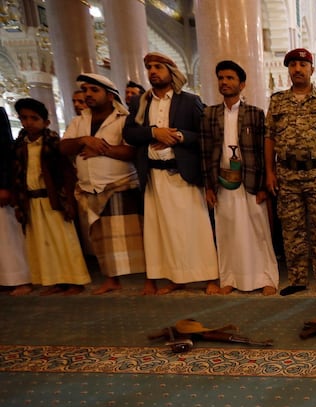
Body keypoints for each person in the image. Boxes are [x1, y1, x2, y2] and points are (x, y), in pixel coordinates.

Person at [123, 52, 218, 295]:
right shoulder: (139, 103)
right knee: (163, 230)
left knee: (194, 227)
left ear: (171, 72)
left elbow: (203, 136)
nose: (153, 71)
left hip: (182, 174)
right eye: (149, 68)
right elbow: (130, 135)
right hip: (154, 176)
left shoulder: (189, 101)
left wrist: (178, 136)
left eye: (158, 67)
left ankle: (209, 277)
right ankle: (176, 277)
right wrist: (154, 132)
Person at [265, 48, 316, 296]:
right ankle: (298, 279)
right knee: (292, 230)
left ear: (312, 69)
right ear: (288, 70)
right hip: (287, 176)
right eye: (292, 65)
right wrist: (269, 171)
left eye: (302, 64)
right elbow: (269, 137)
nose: (297, 69)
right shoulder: (277, 101)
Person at [60, 73, 145, 294]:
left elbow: (132, 151)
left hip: (119, 185)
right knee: (102, 237)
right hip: (90, 187)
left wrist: (102, 148)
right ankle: (111, 279)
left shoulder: (124, 119)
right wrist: (83, 140)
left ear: (109, 96)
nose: (88, 94)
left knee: (132, 237)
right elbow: (63, 148)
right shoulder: (79, 121)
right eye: (86, 90)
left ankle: (148, 279)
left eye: (94, 90)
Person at [202, 60, 279, 295]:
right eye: (221, 78)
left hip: (251, 182)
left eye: (230, 78)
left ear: (242, 84)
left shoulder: (255, 114)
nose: (224, 82)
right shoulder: (209, 113)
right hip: (223, 182)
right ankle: (230, 278)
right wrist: (209, 186)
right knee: (227, 230)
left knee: (259, 230)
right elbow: (205, 151)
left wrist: (266, 182)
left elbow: (263, 150)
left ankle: (267, 278)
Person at [10, 98, 90, 295]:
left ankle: (75, 281)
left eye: (34, 118)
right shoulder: (20, 145)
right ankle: (54, 280)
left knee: (63, 240)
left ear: (45, 122)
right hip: (31, 200)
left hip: (54, 200)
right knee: (42, 243)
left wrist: (68, 200)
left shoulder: (54, 144)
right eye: (24, 118)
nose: (28, 123)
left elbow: (66, 173)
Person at [0, 106, 31, 295]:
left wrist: (4, 185)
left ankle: (20, 278)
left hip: (0, 186)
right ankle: (3, 279)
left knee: (7, 232)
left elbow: (3, 151)